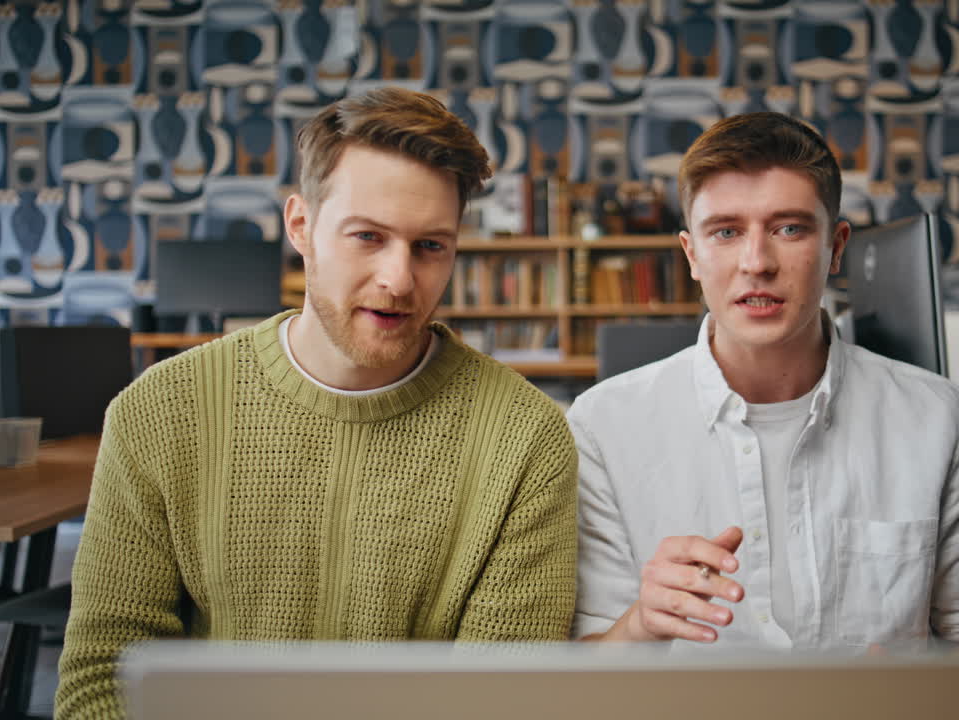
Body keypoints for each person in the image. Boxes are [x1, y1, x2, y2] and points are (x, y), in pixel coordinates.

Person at [57, 88, 578, 717]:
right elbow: (101, 679)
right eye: (367, 236)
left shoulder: (527, 439)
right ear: (300, 225)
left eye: (430, 246)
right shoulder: (160, 412)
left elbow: (502, 700)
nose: (398, 280)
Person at [568, 112, 959, 650]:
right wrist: (641, 623)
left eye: (789, 229)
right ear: (692, 255)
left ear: (836, 247)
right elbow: (587, 666)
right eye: (727, 232)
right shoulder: (602, 426)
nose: (756, 262)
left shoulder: (940, 418)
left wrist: (926, 698)